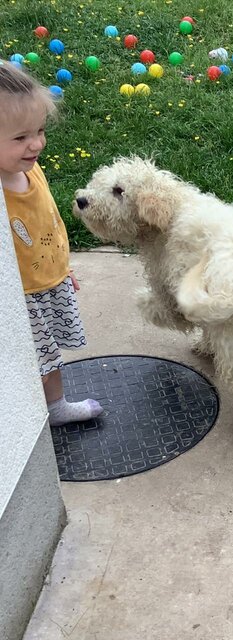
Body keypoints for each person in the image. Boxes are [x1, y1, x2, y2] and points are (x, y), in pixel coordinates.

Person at [0, 61, 102, 426]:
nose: (37, 144)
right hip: (19, 296)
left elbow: (49, 223)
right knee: (29, 363)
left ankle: (55, 406)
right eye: (20, 138)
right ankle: (25, 418)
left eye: (40, 130)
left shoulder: (30, 169)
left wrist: (61, 268)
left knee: (50, 356)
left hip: (48, 281)